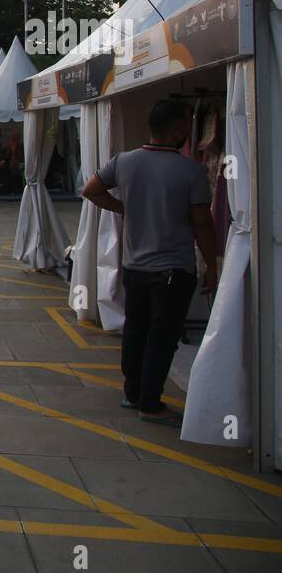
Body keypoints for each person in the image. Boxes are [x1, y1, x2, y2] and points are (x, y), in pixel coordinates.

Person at [81, 98, 218, 427]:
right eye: (186, 123)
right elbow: (202, 223)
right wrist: (212, 266)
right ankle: (150, 402)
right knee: (162, 336)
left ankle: (132, 391)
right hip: (173, 269)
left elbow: (90, 189)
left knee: (136, 329)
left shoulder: (124, 161)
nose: (188, 130)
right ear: (176, 129)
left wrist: (121, 207)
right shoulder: (191, 171)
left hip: (134, 266)